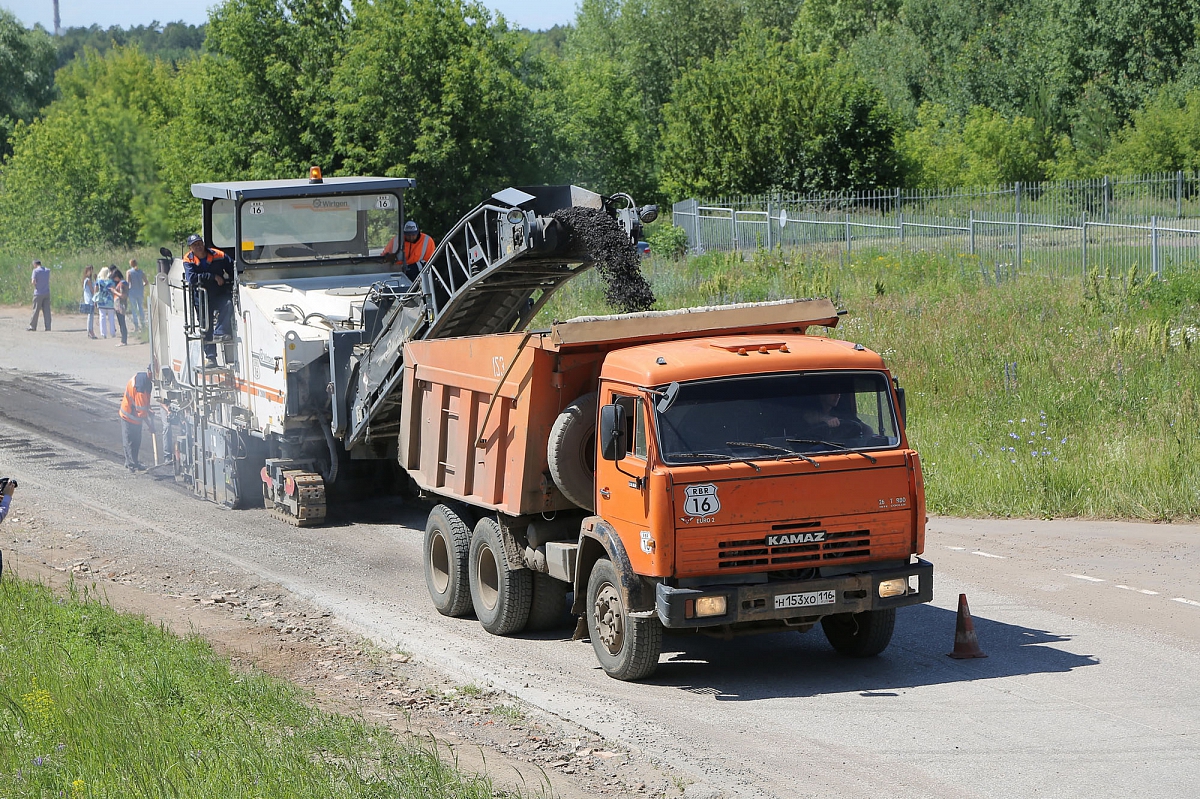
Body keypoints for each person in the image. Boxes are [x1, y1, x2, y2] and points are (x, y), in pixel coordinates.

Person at [183, 233, 235, 367]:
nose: (198, 247)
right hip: (201, 297)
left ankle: (221, 332)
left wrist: (232, 281)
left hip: (218, 293)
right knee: (205, 326)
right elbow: (192, 279)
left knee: (228, 304)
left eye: (199, 243)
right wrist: (213, 276)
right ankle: (211, 357)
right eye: (195, 245)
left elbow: (232, 268)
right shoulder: (188, 260)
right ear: (191, 248)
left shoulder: (218, 255)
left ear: (203, 243)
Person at [119, 367, 154, 472]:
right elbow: (141, 412)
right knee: (129, 441)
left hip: (135, 417)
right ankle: (130, 464)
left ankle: (134, 462)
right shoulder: (140, 387)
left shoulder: (147, 382)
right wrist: (150, 426)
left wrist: (149, 409)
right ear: (150, 372)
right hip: (128, 416)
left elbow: (145, 403)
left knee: (136, 441)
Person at [28, 259, 51, 331]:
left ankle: (33, 326)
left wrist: (36, 285)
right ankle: (48, 326)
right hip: (46, 292)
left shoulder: (35, 271)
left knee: (36, 310)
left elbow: (33, 281)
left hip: (38, 293)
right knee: (47, 310)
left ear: (35, 264)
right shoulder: (47, 270)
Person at [95, 266, 116, 339]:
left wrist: (95, 299)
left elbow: (96, 290)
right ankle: (112, 332)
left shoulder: (99, 281)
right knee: (111, 317)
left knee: (102, 317)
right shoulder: (111, 281)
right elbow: (113, 291)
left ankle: (103, 333)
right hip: (110, 301)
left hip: (101, 300)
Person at [111, 266, 130, 347]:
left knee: (122, 323)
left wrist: (114, 291)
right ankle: (123, 340)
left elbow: (123, 295)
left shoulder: (122, 283)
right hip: (119, 305)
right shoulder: (122, 283)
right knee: (121, 323)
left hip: (120, 305)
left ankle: (124, 340)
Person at [127, 258, 146, 332]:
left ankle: (136, 326)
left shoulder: (129, 272)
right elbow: (146, 282)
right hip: (140, 291)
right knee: (140, 308)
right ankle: (143, 325)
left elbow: (128, 283)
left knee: (134, 309)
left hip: (132, 292)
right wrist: (142, 286)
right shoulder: (141, 272)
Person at [81, 265, 97, 339]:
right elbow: (92, 290)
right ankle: (90, 330)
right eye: (90, 270)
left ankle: (90, 330)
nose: (91, 272)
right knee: (90, 316)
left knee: (90, 315)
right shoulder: (88, 280)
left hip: (88, 299)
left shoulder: (86, 280)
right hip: (90, 299)